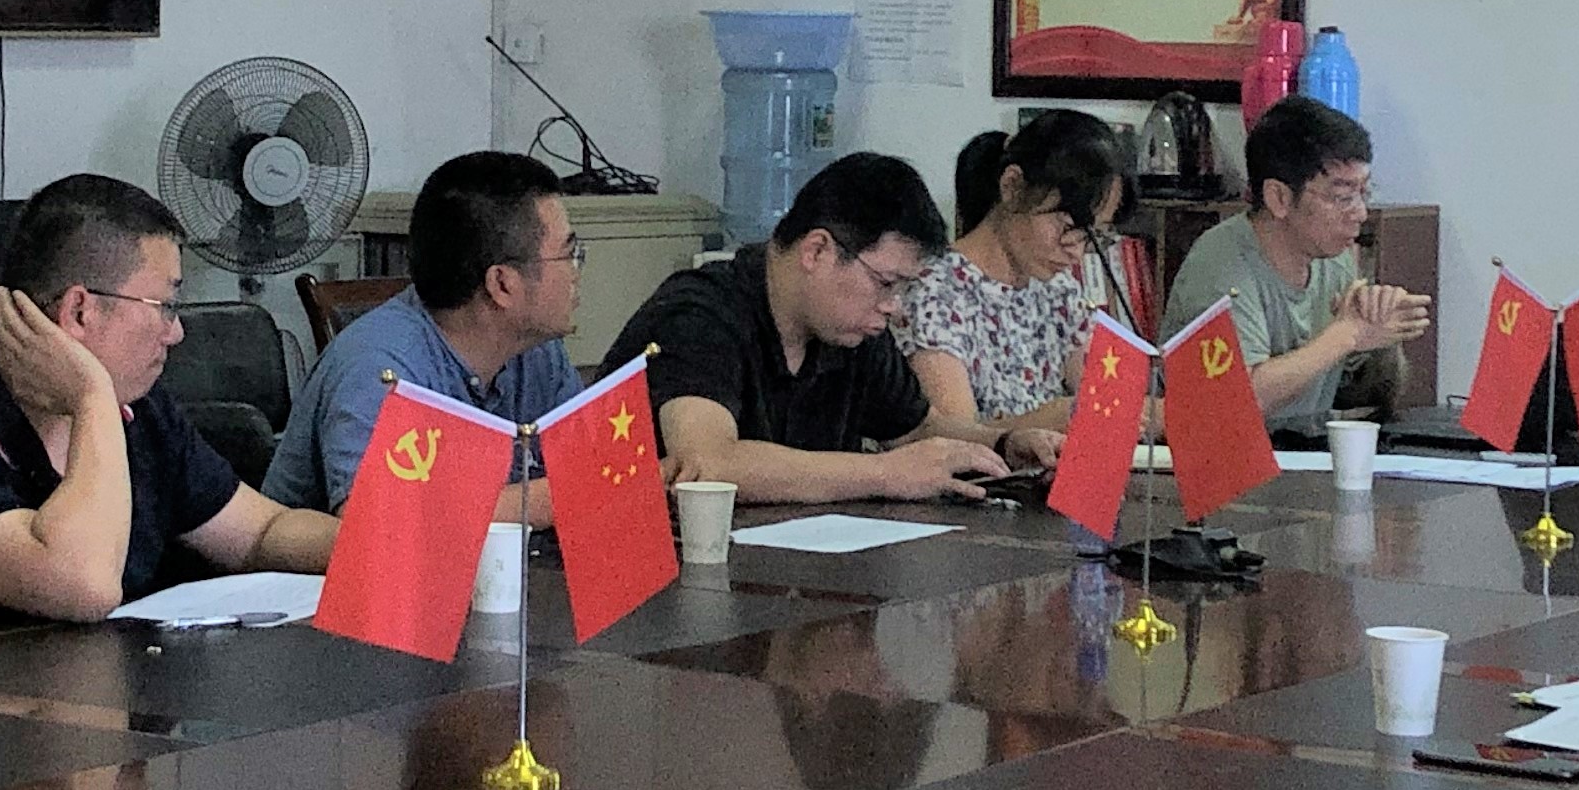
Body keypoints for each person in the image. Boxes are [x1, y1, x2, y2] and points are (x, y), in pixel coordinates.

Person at [0, 172, 337, 635]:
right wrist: (91, 396)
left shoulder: (143, 413)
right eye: (166, 306)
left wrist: (376, 551)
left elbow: (261, 533)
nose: (176, 332)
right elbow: (83, 586)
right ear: (79, 310)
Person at [599, 152, 1006, 505]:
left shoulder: (851, 331)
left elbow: (918, 430)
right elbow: (708, 463)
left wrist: (1003, 445)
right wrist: (886, 472)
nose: (894, 308)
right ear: (817, 250)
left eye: (904, 289)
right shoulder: (699, 315)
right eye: (886, 283)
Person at [269, 150, 584, 519]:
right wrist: (556, 497)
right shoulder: (379, 368)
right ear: (502, 284)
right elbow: (376, 524)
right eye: (568, 255)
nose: (576, 271)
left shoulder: (536, 348)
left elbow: (588, 464)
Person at [1158, 95, 1428, 427]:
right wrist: (1346, 334)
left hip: (1304, 447)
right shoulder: (1220, 266)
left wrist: (1380, 330)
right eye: (1343, 197)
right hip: (1224, 453)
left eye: (1364, 193)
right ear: (1279, 198)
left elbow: (1361, 397)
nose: (1360, 213)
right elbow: (1238, 401)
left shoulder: (1334, 257)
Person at [896, 110, 1126, 473]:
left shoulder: (1058, 289)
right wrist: (1049, 418)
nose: (1076, 250)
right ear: (1012, 187)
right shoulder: (933, 292)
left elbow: (1107, 396)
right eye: (1068, 225)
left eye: (1094, 235)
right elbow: (951, 441)